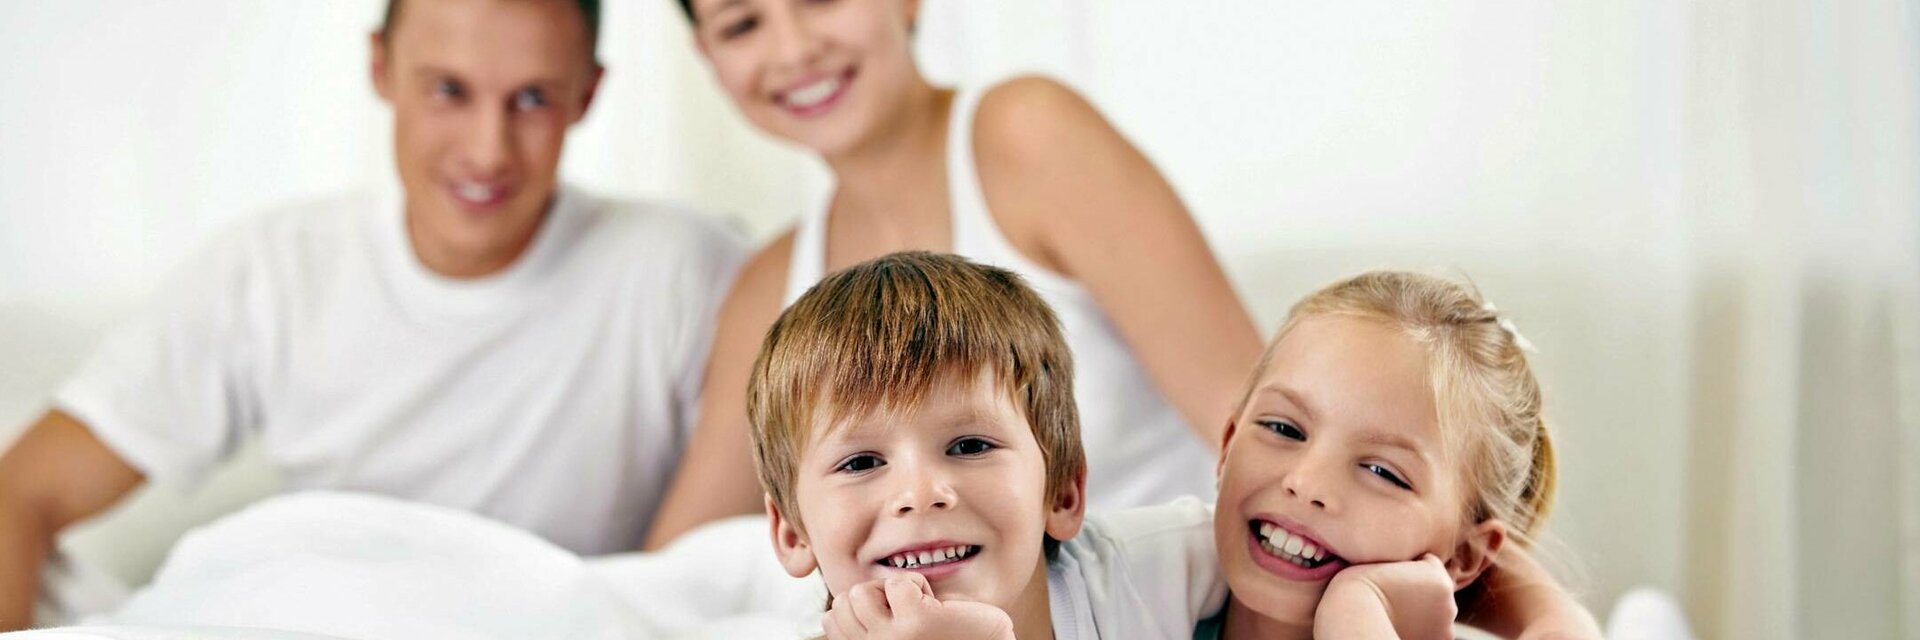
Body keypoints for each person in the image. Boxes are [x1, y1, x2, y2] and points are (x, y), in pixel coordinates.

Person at [0, 0, 744, 628]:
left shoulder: (688, 270)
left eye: (532, 99)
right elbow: (21, 489)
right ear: (380, 70)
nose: (488, 152)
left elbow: (708, 578)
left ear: (586, 96)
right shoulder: (275, 267)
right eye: (449, 90)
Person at [646, 0, 1265, 548]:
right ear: (708, 55)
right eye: (742, 24)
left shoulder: (1029, 135)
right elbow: (677, 565)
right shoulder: (771, 286)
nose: (793, 48)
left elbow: (1257, 434)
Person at [1197, 270, 1602, 638]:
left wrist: (1355, 613)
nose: (1305, 484)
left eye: (1382, 471)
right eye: (1283, 428)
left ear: (1464, 556)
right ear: (1227, 444)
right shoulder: (1141, 577)